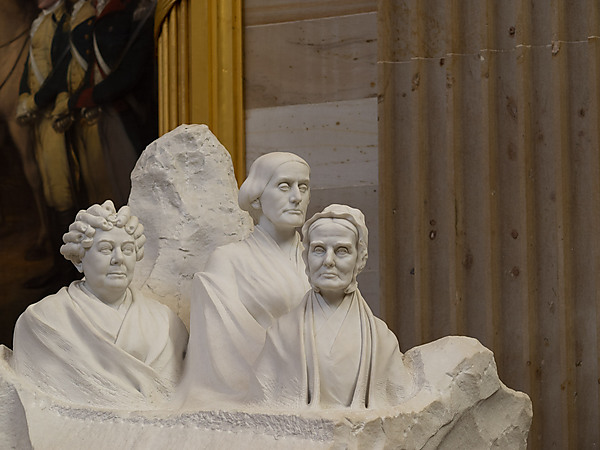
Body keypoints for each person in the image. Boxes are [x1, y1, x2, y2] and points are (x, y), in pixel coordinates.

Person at [11, 200, 188, 409]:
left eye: (128, 249)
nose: (118, 259)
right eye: (106, 249)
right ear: (79, 260)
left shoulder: (166, 323)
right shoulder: (44, 321)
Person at [251, 204, 415, 409]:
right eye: (319, 250)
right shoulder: (281, 335)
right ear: (306, 258)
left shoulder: (382, 340)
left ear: (360, 259)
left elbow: (399, 401)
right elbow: (262, 396)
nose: (328, 261)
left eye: (342, 251)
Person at [180, 152, 311, 406]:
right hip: (256, 387)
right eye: (284, 186)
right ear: (257, 197)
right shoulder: (228, 260)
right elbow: (219, 349)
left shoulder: (319, 259)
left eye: (303, 187)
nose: (296, 197)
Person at [17, 0, 80, 288]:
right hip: (39, 116)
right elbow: (29, 68)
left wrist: (36, 100)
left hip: (54, 110)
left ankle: (71, 272)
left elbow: (62, 68)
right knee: (50, 191)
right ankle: (58, 267)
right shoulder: (40, 21)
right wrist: (23, 97)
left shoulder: (62, 21)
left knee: (62, 189)